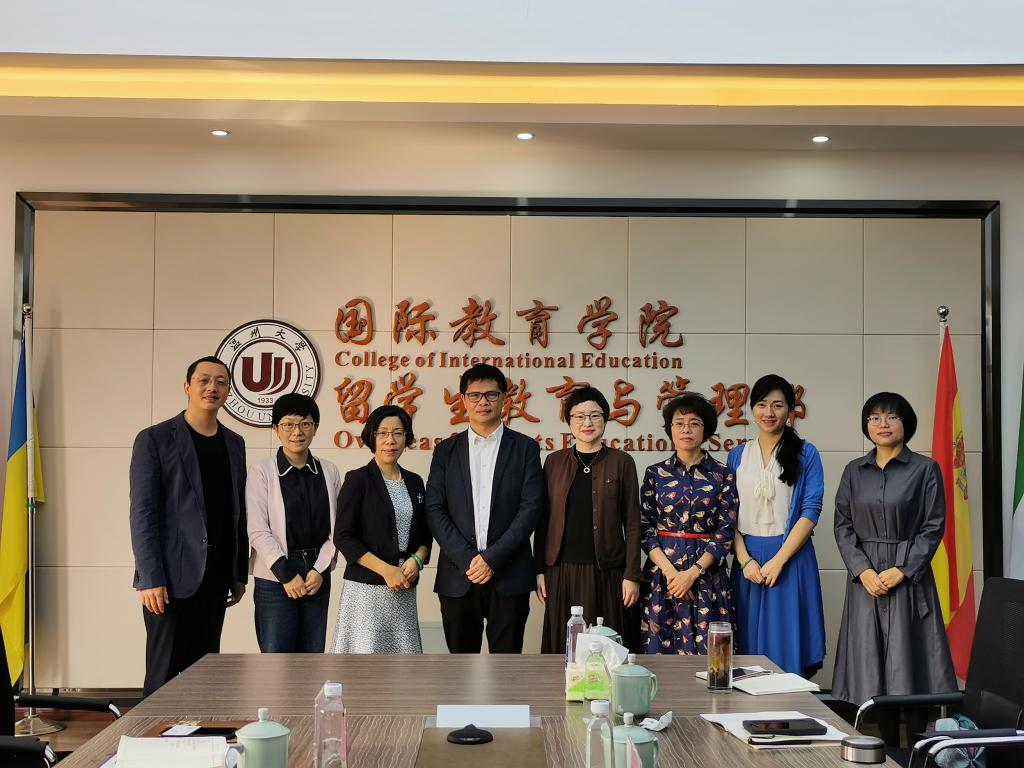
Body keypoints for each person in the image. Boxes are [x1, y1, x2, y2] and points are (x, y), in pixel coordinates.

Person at [832, 392, 957, 746]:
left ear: (906, 423)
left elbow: (933, 526)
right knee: (874, 671)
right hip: (867, 582)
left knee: (913, 667)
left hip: (910, 580)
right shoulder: (853, 471)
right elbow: (843, 526)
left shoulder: (925, 469)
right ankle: (885, 752)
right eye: (874, 418)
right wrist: (864, 571)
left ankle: (917, 752)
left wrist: (903, 569)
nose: (882, 424)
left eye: (891, 417)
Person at [129, 356, 247, 696]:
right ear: (187, 387)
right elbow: (143, 514)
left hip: (215, 577)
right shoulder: (155, 439)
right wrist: (150, 578)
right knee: (163, 676)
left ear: (228, 391)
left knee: (205, 676)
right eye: (204, 380)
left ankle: (200, 731)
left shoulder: (234, 443)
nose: (212, 388)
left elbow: (236, 511)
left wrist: (238, 572)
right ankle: (155, 732)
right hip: (168, 580)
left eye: (221, 382)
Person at [426, 363, 543, 654]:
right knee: (461, 666)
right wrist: (469, 559)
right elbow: (435, 508)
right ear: (463, 400)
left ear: (504, 398)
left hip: (509, 574)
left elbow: (531, 508)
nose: (483, 402)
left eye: (491, 394)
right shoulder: (446, 451)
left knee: (506, 667)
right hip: (458, 576)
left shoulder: (525, 448)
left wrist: (492, 558)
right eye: (475, 395)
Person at [727, 374, 826, 677]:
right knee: (747, 646)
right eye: (761, 404)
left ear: (790, 410)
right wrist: (744, 560)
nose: (768, 412)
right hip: (748, 560)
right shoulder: (737, 455)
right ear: (751, 409)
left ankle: (788, 707)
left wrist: (779, 560)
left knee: (787, 645)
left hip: (790, 557)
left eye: (778, 405)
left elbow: (811, 510)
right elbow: (727, 513)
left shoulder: (806, 453)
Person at [535, 386, 642, 654]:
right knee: (564, 647)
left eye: (595, 415)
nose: (587, 423)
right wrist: (539, 570)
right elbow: (543, 520)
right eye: (579, 416)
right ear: (569, 422)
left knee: (606, 647)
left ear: (605, 420)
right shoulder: (554, 462)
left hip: (607, 572)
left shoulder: (622, 462)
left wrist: (632, 574)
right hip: (562, 571)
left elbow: (632, 522)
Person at [639, 393, 737, 655]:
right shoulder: (655, 474)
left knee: (712, 655)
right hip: (663, 576)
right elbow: (645, 528)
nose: (686, 429)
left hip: (707, 576)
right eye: (679, 423)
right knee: (660, 653)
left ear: (706, 430)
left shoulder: (723, 474)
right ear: (670, 429)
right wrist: (672, 575)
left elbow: (726, 530)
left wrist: (692, 573)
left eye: (694, 423)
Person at [331, 405, 431, 653]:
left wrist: (417, 560)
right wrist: (387, 571)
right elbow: (343, 536)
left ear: (406, 438)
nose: (390, 440)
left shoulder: (415, 482)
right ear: (371, 437)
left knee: (403, 662)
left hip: (404, 587)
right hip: (366, 591)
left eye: (398, 433)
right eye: (383, 433)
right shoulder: (358, 479)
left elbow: (425, 534)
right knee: (366, 658)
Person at [246, 394, 341, 653]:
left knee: (312, 656)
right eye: (288, 424)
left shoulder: (329, 471)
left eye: (305, 424)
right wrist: (286, 575)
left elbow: (337, 529)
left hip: (316, 574)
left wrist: (320, 570)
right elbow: (257, 530)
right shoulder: (261, 472)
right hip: (275, 576)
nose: (297, 432)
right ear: (276, 429)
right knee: (276, 658)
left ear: (315, 428)